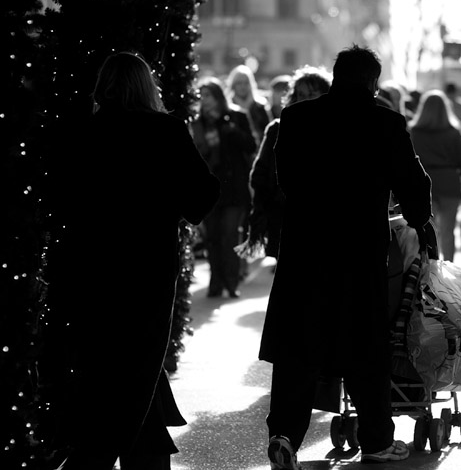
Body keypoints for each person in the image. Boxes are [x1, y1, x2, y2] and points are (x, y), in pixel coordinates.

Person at [44, 51, 220, 469]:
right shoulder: (165, 131)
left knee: (107, 364)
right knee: (140, 362)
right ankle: (102, 455)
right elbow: (201, 196)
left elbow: (59, 201)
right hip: (148, 267)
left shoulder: (84, 133)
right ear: (147, 87)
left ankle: (124, 450)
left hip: (91, 267)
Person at [260, 45, 431, 469]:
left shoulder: (297, 118)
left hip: (304, 250)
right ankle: (375, 440)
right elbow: (412, 180)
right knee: (364, 348)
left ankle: (284, 434)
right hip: (359, 252)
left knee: (298, 348)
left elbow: (286, 179)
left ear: (336, 77)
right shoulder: (385, 122)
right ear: (373, 83)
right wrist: (418, 220)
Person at [240, 65, 333, 264]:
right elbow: (260, 174)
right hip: (284, 218)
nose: (305, 99)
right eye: (300, 94)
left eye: (312, 94)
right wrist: (262, 211)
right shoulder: (277, 129)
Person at [191, 76, 257, 297]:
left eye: (208, 96)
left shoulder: (236, 116)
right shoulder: (198, 123)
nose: (204, 101)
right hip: (210, 189)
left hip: (233, 189)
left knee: (229, 236)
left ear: (218, 97)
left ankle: (231, 282)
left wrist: (231, 131)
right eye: (201, 97)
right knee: (213, 238)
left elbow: (250, 145)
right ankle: (215, 282)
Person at [408, 89, 461, 262]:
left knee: (426, 229)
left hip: (423, 183)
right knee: (448, 231)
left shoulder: (413, 133)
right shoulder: (454, 133)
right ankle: (448, 267)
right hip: (450, 184)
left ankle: (428, 265)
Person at [226, 64, 272, 144]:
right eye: (239, 83)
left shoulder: (260, 106)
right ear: (233, 85)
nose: (243, 87)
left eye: (246, 83)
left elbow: (269, 133)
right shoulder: (228, 106)